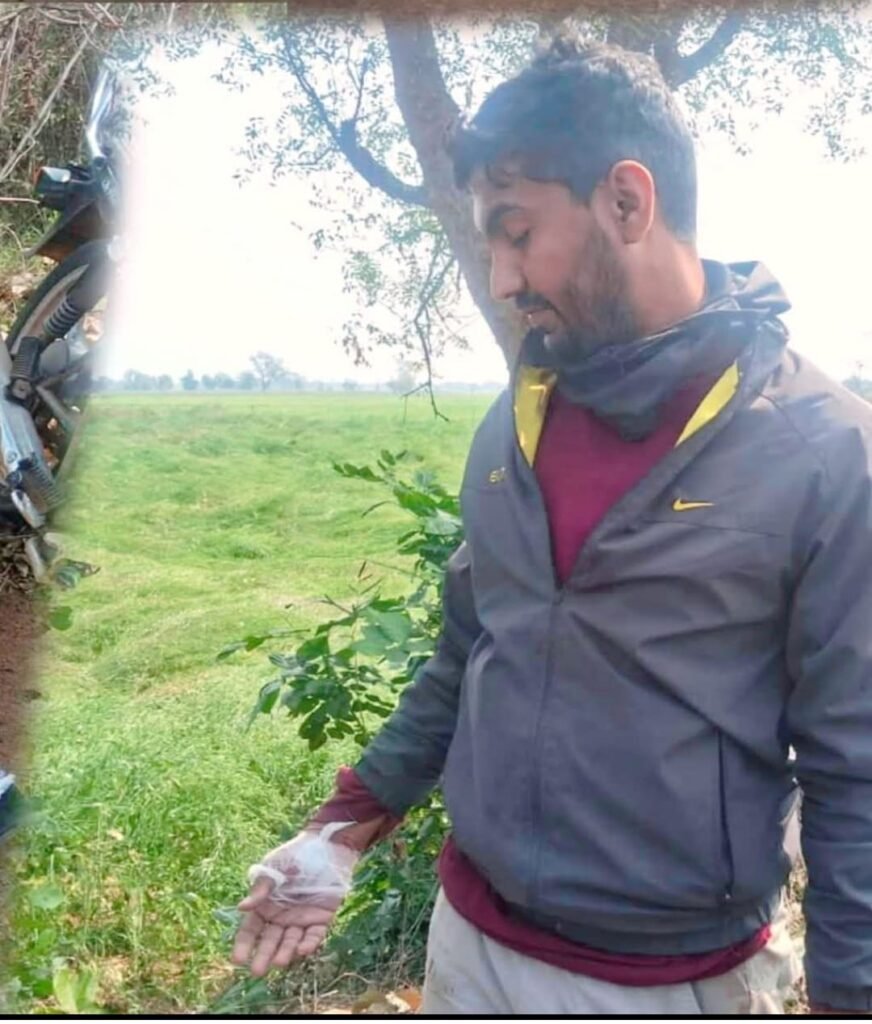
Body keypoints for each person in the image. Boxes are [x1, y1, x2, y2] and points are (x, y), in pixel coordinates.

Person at [232, 35, 872, 1015]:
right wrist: (342, 827)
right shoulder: (517, 420)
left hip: (674, 983)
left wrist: (850, 993)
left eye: (516, 231)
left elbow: (854, 762)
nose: (500, 279)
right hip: (468, 945)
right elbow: (469, 647)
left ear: (626, 201)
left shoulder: (822, 451)